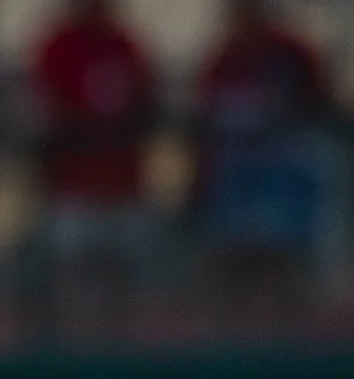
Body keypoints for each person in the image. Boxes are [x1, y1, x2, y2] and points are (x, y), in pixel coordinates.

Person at [189, 0, 334, 328]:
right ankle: (228, 351)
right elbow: (204, 129)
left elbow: (321, 108)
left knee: (283, 275)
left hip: (285, 189)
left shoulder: (294, 54)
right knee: (230, 273)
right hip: (233, 192)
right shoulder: (222, 60)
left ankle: (291, 350)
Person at [24, 0, 157, 335]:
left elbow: (148, 107)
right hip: (74, 190)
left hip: (122, 187)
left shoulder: (126, 44)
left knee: (123, 292)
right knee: (73, 288)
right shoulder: (57, 46)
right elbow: (40, 114)